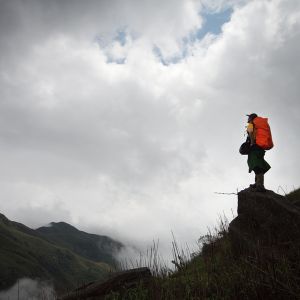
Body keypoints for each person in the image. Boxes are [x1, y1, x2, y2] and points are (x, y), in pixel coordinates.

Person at [246, 113, 271, 192]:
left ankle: (260, 185)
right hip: (260, 148)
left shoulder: (251, 124)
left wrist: (252, 143)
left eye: (248, 117)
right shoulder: (259, 124)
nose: (247, 119)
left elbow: (250, 133)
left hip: (254, 147)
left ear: (251, 118)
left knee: (256, 165)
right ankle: (257, 183)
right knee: (258, 164)